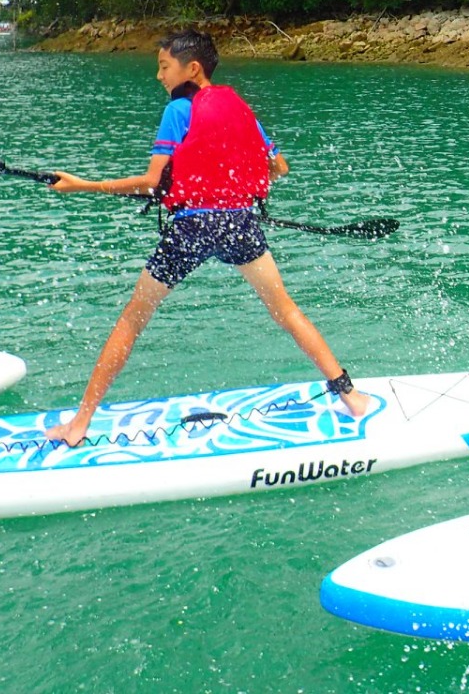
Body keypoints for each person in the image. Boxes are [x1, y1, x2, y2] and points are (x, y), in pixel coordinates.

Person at [44, 29, 372, 446]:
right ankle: (352, 397)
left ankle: (79, 425)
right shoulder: (241, 109)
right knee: (285, 310)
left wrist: (82, 185)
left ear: (191, 68)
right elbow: (280, 167)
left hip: (192, 228)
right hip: (238, 223)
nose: (159, 76)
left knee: (131, 319)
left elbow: (150, 182)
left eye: (164, 67)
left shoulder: (178, 111)